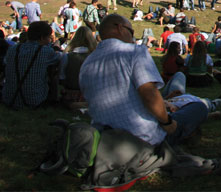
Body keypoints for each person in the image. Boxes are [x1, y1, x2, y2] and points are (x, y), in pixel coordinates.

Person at [79, 13, 207, 145]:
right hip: (144, 137)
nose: (133, 36)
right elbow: (149, 94)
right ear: (119, 28)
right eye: (131, 31)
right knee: (199, 108)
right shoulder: (134, 51)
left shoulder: (86, 64)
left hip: (106, 140)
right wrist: (167, 122)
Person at [2, 20, 61, 109]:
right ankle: (54, 99)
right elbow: (59, 59)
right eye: (49, 37)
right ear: (42, 38)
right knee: (54, 71)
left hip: (10, 99)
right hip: (34, 100)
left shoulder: (13, 49)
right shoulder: (45, 51)